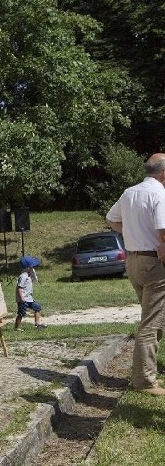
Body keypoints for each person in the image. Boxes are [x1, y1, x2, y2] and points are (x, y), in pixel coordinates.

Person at [107, 153, 165, 396]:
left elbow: (111, 219)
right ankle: (145, 380)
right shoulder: (160, 194)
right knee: (151, 324)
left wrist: (132, 230)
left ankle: (147, 371)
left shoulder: (130, 192)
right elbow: (163, 232)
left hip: (133, 261)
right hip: (155, 263)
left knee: (155, 318)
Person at [14, 255, 47, 331]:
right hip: (23, 299)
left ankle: (37, 324)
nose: (33, 267)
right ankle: (17, 328)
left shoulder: (29, 275)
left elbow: (35, 279)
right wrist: (21, 298)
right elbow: (19, 287)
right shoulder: (23, 276)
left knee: (37, 307)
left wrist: (33, 272)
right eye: (32, 266)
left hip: (29, 298)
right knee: (21, 313)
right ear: (28, 267)